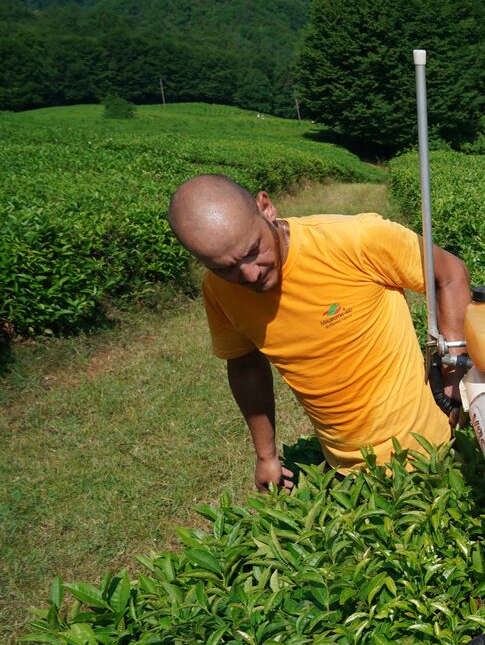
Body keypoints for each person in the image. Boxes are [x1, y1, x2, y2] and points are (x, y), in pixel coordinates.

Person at [167, 174, 469, 490]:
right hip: (343, 465)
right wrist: (266, 456)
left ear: (266, 207)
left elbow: (449, 274)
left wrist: (451, 374)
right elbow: (245, 366)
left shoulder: (356, 239)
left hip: (430, 450)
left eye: (253, 250)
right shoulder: (218, 291)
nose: (250, 274)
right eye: (224, 267)